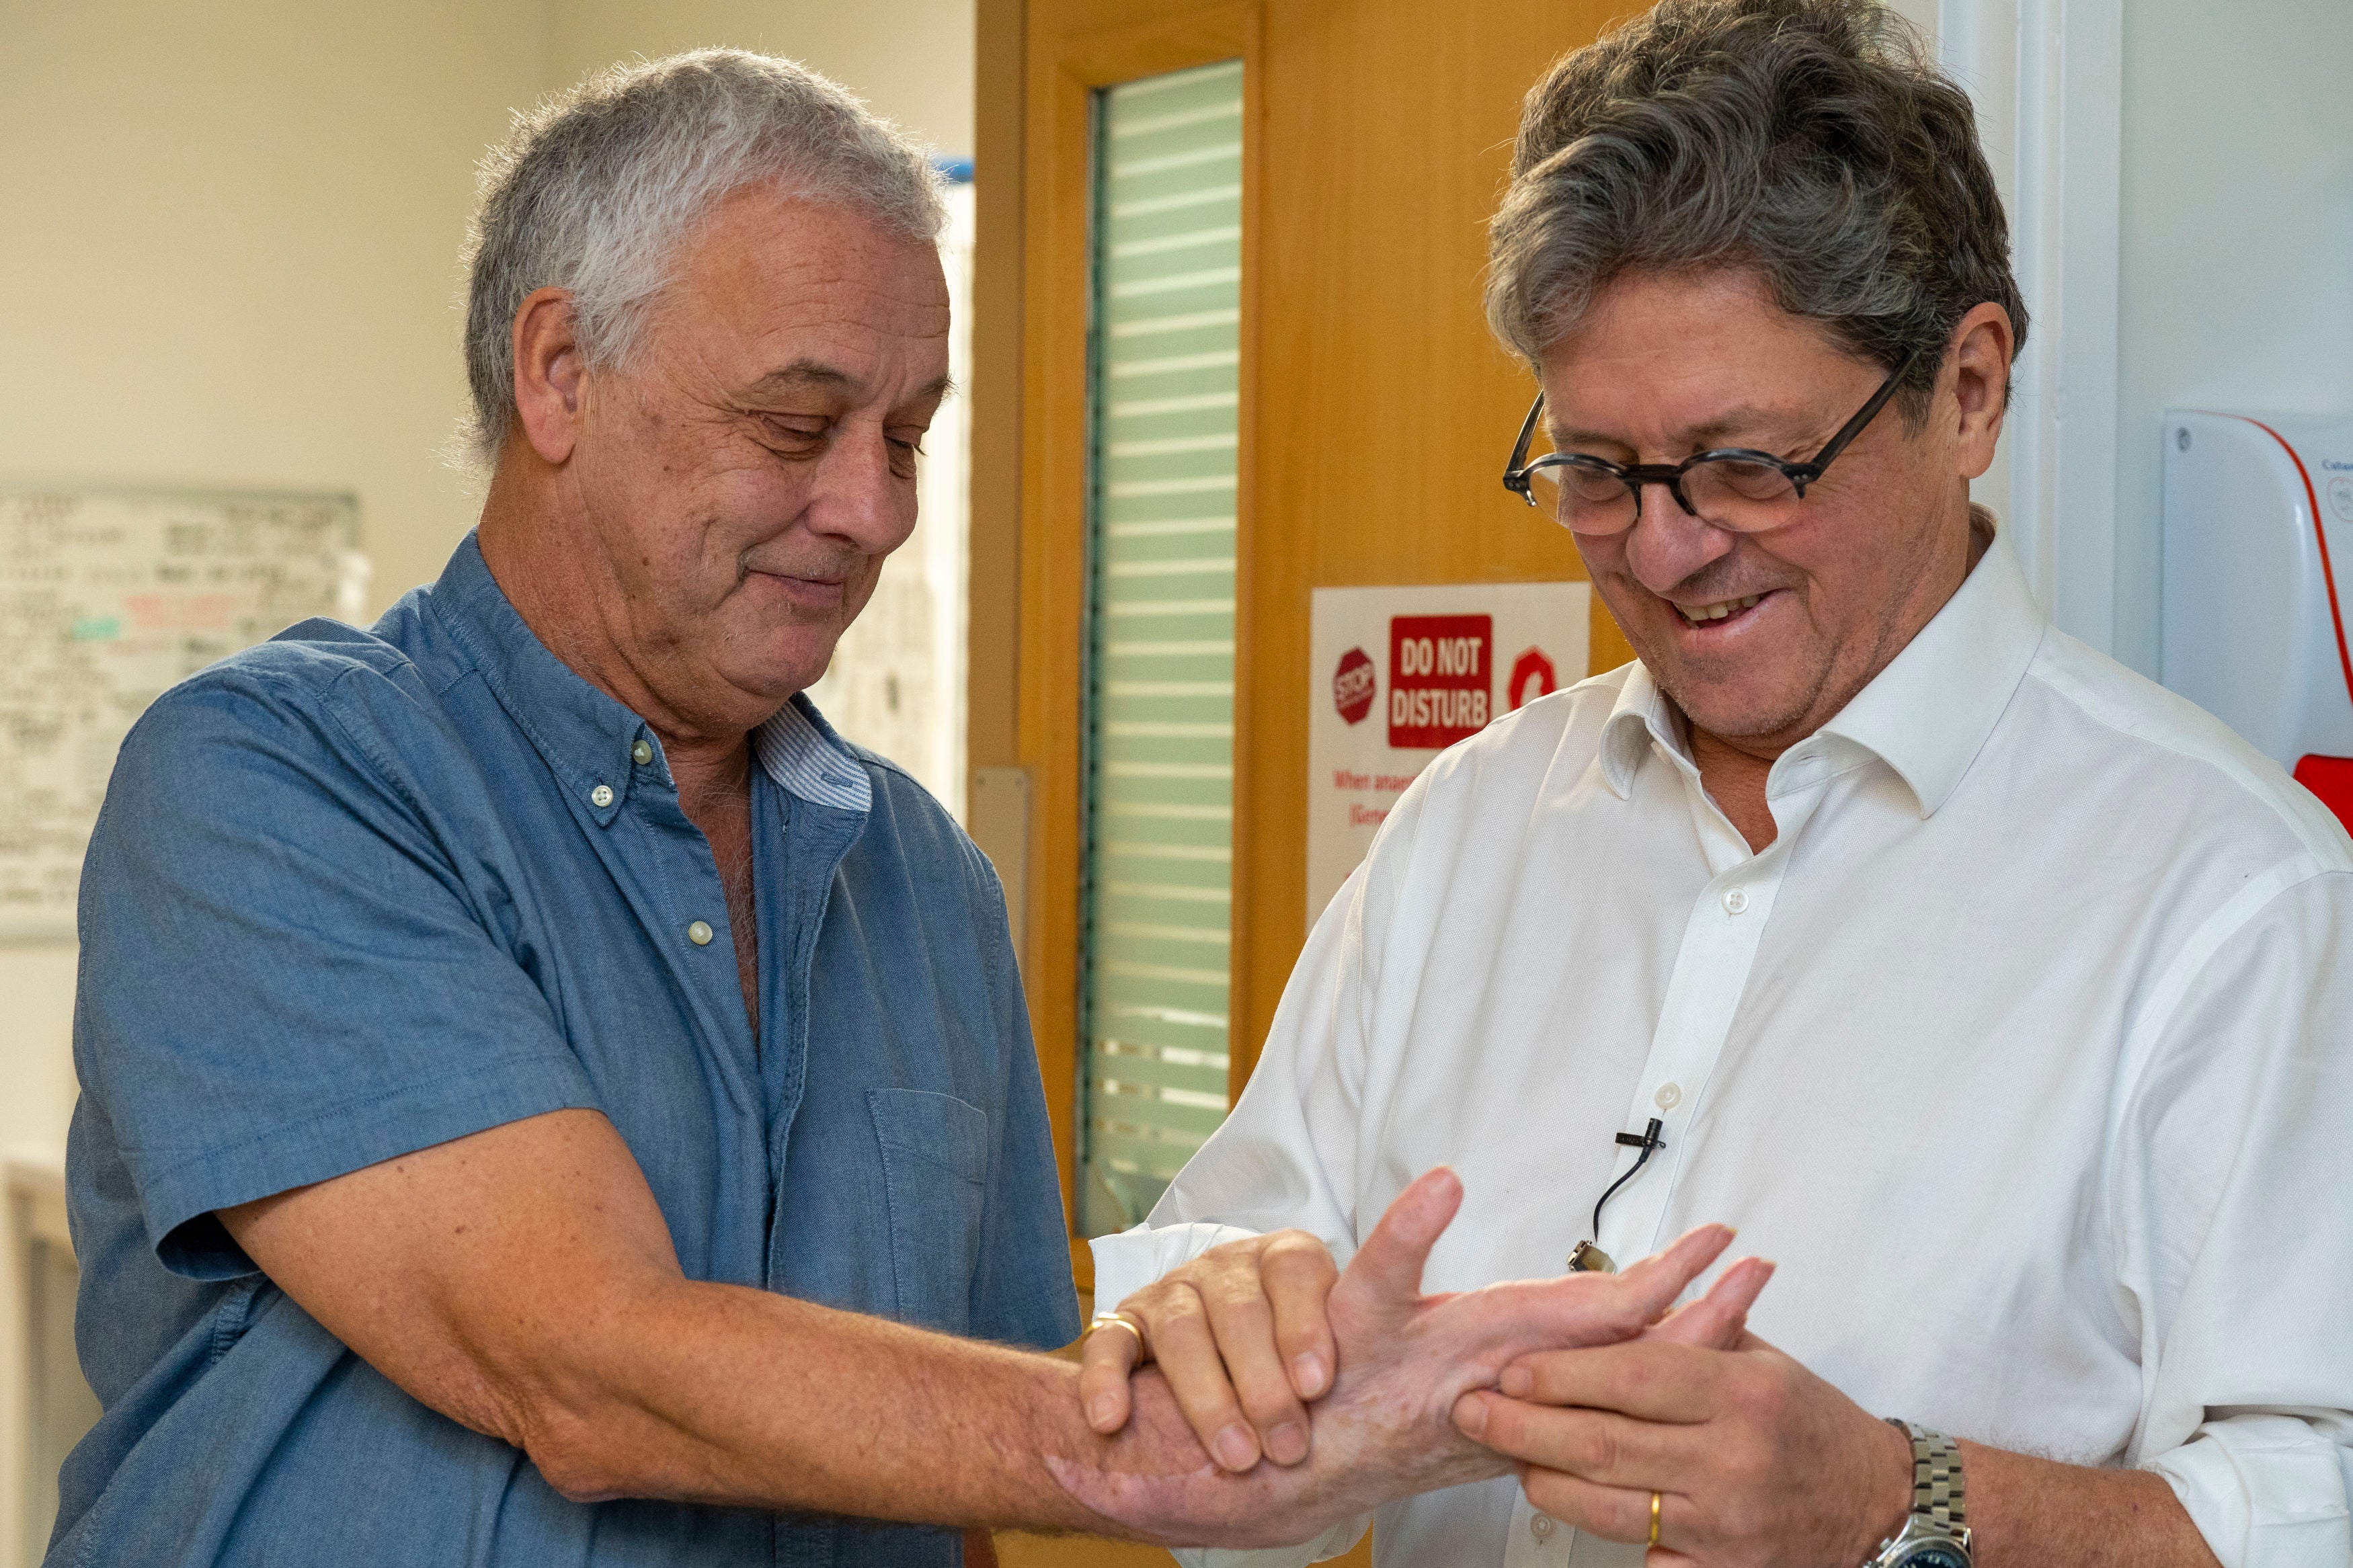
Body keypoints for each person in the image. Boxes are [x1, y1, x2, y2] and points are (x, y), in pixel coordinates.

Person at [52, 48, 1775, 1568]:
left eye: (908, 435)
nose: (870, 511)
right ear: (560, 375)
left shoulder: (923, 888)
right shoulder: (280, 783)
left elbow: (958, 1445)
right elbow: (575, 1363)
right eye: (798, 425)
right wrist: (1179, 1469)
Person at [1078, 3, 2353, 1565]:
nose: (1666, 550)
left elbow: (2312, 1511)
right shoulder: (1468, 825)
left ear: (1967, 390)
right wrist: (1200, 1315)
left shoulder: (2234, 897)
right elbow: (1245, 1268)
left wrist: (1903, 1499)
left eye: (1748, 464)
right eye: (1597, 473)